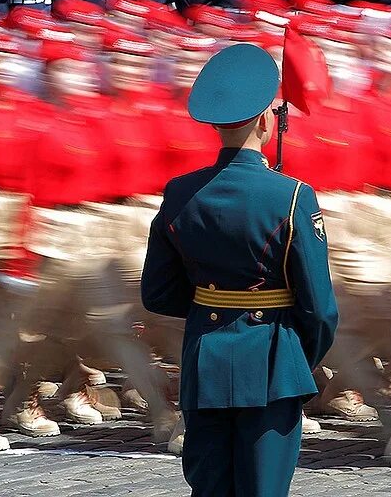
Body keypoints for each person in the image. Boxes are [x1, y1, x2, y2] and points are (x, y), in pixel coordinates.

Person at [141, 43, 338, 497]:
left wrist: (212, 301)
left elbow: (158, 294)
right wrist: (298, 363)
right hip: (272, 361)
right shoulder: (292, 196)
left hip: (204, 358)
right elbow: (320, 310)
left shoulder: (179, 193)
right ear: (268, 122)